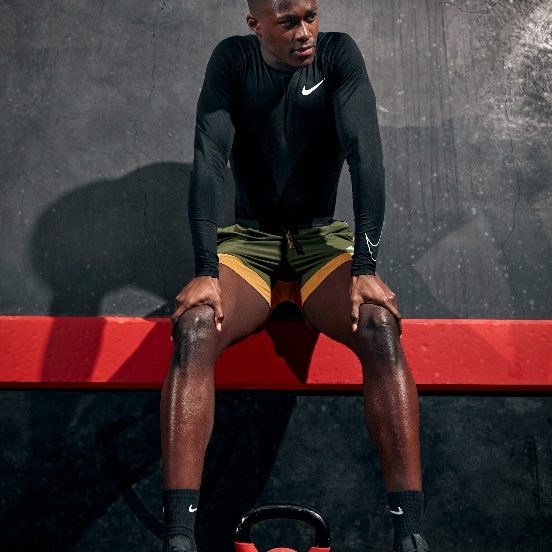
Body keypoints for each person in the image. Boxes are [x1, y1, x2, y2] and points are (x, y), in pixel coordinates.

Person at [160, 1, 430, 551]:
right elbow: (209, 159)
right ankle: (179, 539)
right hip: (251, 244)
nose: (305, 32)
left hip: (318, 242)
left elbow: (365, 155)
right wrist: (206, 270)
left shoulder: (338, 55)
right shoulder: (233, 60)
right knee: (194, 329)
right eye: (288, 22)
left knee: (379, 327)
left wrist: (365, 267)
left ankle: (411, 535)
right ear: (256, 24)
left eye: (310, 15)